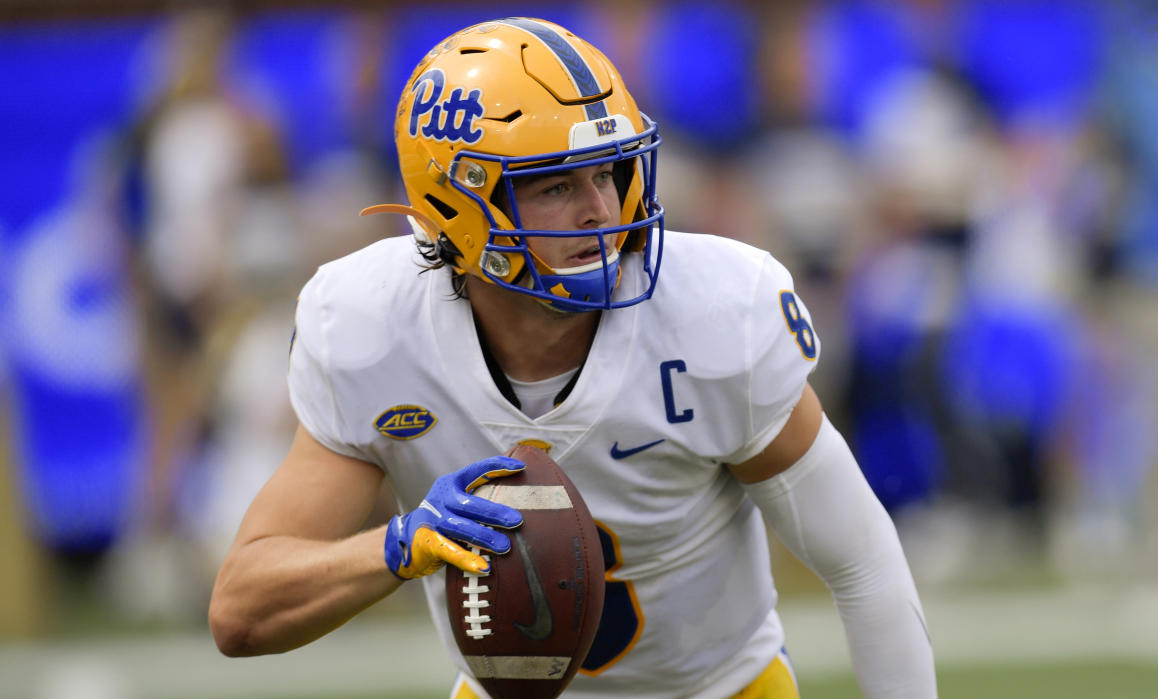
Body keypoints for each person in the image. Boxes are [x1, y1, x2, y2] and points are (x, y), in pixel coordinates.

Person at [208, 17, 937, 699]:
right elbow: (241, 609)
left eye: (608, 172)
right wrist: (399, 547)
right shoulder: (374, 325)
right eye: (556, 184)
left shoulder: (716, 313)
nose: (600, 210)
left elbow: (864, 561)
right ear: (459, 204)